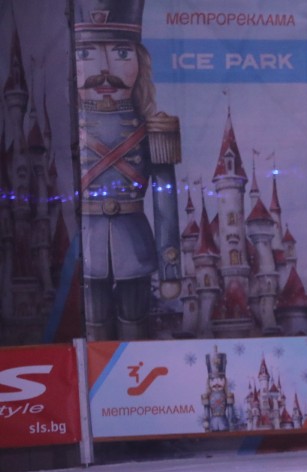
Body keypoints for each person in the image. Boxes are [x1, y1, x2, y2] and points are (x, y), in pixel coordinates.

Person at [75, 0, 181, 340]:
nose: (104, 69)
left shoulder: (154, 128)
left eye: (121, 53)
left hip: (134, 244)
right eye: (86, 54)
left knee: (135, 327)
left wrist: (170, 267)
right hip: (85, 244)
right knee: (93, 327)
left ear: (140, 61)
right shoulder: (63, 130)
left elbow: (166, 202)